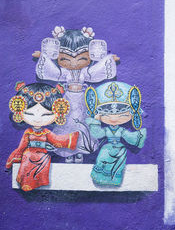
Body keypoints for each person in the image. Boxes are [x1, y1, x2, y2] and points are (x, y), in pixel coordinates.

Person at [33, 26, 119, 163]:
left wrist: (109, 60)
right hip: (67, 99)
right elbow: (54, 72)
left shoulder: (86, 73)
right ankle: (67, 152)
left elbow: (96, 72)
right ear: (59, 57)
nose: (73, 62)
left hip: (82, 100)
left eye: (81, 58)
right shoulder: (64, 73)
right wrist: (42, 57)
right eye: (66, 59)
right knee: (67, 123)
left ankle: (81, 150)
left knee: (83, 123)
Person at [6, 82, 79, 191]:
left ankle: (37, 182)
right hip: (28, 153)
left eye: (46, 115)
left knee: (43, 160)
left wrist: (71, 138)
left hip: (43, 155)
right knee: (27, 159)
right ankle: (27, 183)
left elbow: (56, 140)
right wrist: (17, 155)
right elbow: (22, 147)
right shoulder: (28, 132)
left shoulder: (46, 132)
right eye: (29, 114)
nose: (37, 119)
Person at [85, 81, 147, 186]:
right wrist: (95, 121)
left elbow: (130, 137)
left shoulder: (122, 131)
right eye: (106, 115)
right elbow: (97, 134)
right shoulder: (106, 130)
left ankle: (114, 180)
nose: (113, 118)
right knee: (101, 161)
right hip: (106, 149)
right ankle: (101, 178)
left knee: (118, 166)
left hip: (119, 150)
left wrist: (138, 136)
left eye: (121, 115)